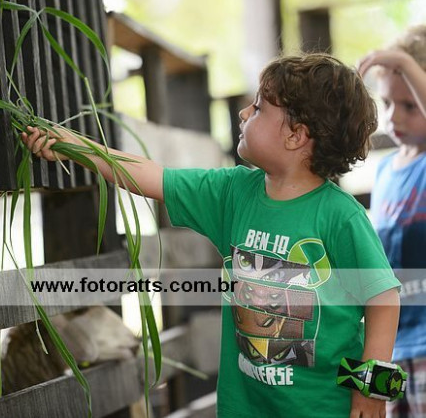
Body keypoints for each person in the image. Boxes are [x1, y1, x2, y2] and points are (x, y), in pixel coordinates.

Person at [22, 53, 401, 418]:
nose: (244, 113)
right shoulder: (233, 194)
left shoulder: (339, 216)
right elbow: (153, 176)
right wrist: (76, 146)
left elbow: (383, 296)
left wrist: (373, 387)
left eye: (258, 108)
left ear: (296, 135)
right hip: (247, 408)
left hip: (325, 408)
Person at [359, 25, 426, 418]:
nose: (392, 116)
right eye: (386, 102)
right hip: (389, 350)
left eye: (409, 105)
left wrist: (402, 61)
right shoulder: (384, 172)